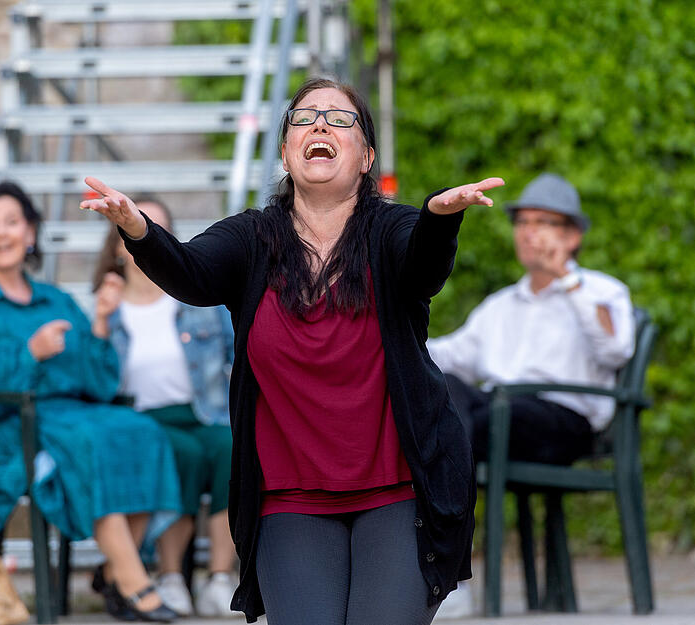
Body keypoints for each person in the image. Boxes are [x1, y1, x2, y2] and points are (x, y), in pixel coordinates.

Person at [80, 76, 504, 625]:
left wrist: (440, 221)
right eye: (304, 119)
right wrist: (138, 229)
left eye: (339, 119)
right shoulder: (252, 239)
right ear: (285, 151)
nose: (320, 125)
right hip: (290, 496)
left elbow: (422, 266)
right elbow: (192, 275)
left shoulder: (392, 229)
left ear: (367, 156)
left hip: (400, 490)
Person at [0, 180, 182, 623]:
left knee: (141, 431)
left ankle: (114, 570)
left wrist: (102, 323)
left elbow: (99, 384)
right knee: (85, 442)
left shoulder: (56, 300)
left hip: (63, 417)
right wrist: (28, 353)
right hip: (1, 429)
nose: (2, 233)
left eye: (13, 222)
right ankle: (135, 582)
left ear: (30, 233)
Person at [426, 172, 635, 618]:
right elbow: (447, 355)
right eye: (523, 222)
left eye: (544, 223)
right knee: (439, 396)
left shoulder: (601, 291)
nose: (530, 233)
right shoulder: (501, 305)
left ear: (573, 235)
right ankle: (447, 574)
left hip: (563, 424)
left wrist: (566, 279)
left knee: (455, 429)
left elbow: (617, 348)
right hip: (494, 416)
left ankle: (449, 579)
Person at [92, 197, 238, 618]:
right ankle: (171, 576)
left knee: (232, 448)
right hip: (143, 421)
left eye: (157, 226)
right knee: (184, 455)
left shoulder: (197, 298)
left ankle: (219, 578)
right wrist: (100, 323)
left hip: (205, 413)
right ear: (119, 242)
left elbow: (241, 353)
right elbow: (98, 382)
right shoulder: (110, 306)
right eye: (134, 224)